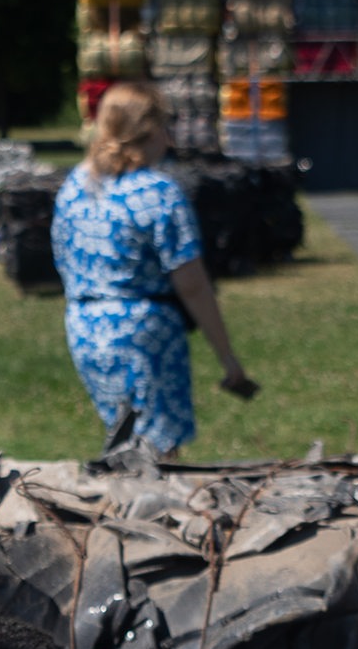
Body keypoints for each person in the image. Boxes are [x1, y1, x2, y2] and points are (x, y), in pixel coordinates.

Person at [51, 81, 254, 454]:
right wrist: (227, 357)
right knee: (157, 454)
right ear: (151, 131)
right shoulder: (158, 192)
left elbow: (61, 256)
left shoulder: (76, 184)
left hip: (85, 327)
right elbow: (191, 283)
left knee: (123, 442)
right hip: (145, 336)